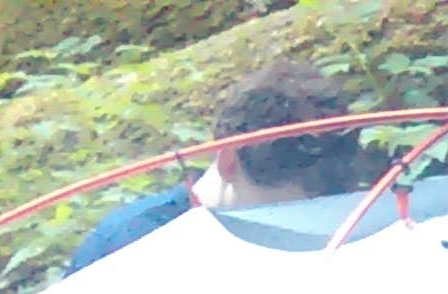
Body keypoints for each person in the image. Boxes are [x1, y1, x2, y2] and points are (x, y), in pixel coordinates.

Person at [65, 63, 367, 275]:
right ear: (229, 162)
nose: (301, 230)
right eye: (281, 215)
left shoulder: (348, 229)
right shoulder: (130, 244)